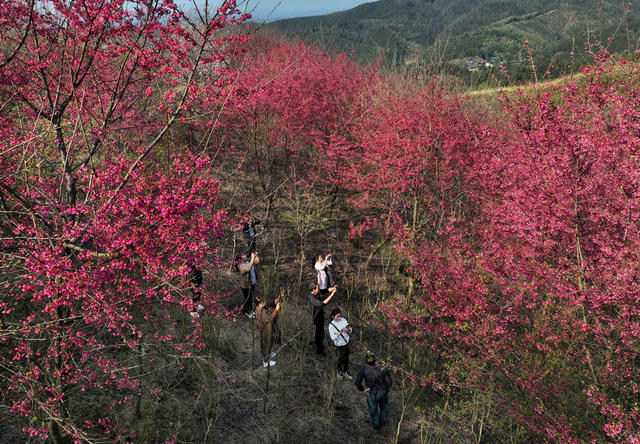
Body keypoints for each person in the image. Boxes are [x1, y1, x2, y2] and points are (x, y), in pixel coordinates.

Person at [354, 353, 393, 429]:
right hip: (383, 392)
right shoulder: (383, 368)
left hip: (372, 393)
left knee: (373, 409)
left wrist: (363, 389)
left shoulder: (364, 369)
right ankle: (383, 421)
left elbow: (357, 382)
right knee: (383, 408)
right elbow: (389, 382)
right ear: (376, 360)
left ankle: (376, 425)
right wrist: (386, 387)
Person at [308, 284, 337, 356]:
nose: (319, 289)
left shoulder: (317, 292)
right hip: (317, 318)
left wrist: (333, 288)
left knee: (321, 334)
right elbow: (322, 303)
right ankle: (319, 351)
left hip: (320, 316)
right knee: (320, 334)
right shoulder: (312, 298)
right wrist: (332, 294)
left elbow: (326, 290)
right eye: (317, 288)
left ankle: (318, 345)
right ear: (313, 290)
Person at [255, 294, 280, 367]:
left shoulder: (260, 307)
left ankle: (268, 353)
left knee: (269, 342)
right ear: (260, 304)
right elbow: (270, 318)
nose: (265, 302)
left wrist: (278, 299)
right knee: (267, 343)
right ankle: (266, 361)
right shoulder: (261, 312)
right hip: (265, 330)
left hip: (267, 329)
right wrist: (276, 309)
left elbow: (270, 303)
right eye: (263, 302)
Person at [328, 307, 352, 379]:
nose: (339, 318)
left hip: (346, 343)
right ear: (333, 317)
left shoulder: (343, 320)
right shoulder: (331, 326)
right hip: (339, 346)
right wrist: (340, 332)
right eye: (337, 316)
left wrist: (347, 330)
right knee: (339, 360)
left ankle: (345, 372)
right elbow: (333, 338)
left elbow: (350, 330)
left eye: (340, 316)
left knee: (346, 360)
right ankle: (338, 373)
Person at [236, 250, 260, 319]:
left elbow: (257, 262)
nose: (245, 255)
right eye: (243, 255)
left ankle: (250, 310)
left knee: (251, 297)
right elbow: (248, 268)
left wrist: (256, 256)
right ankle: (246, 312)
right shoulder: (240, 265)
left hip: (252, 283)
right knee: (247, 299)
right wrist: (252, 259)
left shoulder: (247, 262)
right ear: (240, 258)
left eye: (245, 254)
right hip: (245, 285)